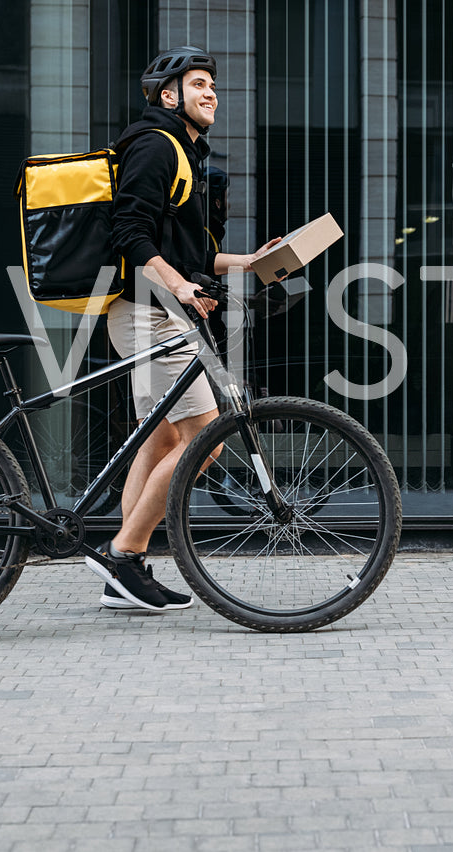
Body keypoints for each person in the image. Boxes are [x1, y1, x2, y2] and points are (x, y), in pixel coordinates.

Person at [85, 45, 279, 612]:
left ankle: (125, 570)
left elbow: (187, 252)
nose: (210, 92)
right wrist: (180, 287)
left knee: (163, 436)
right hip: (147, 310)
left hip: (149, 306)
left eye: (212, 85)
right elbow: (130, 233)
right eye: (198, 84)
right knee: (205, 439)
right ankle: (124, 553)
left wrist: (247, 261)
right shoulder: (155, 144)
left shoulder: (188, 154)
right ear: (169, 96)